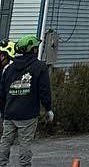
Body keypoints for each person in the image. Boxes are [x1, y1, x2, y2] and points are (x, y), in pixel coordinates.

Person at [1, 36, 52, 167]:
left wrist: (3, 111)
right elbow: (44, 91)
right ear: (34, 50)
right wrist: (48, 108)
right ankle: (24, 165)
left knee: (6, 141)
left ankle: (2, 163)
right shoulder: (40, 67)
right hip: (28, 114)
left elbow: (3, 91)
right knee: (25, 143)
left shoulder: (9, 68)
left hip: (10, 112)